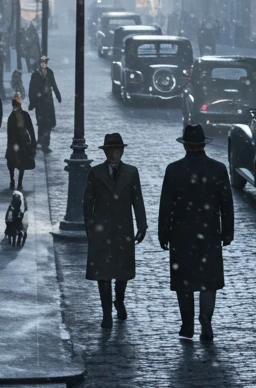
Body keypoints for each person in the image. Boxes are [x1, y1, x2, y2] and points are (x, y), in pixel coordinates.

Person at [158, 124, 234, 343]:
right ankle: (206, 318)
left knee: (184, 281)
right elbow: (226, 204)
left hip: (181, 233)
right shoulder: (218, 169)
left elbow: (166, 206)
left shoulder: (174, 170)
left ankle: (187, 324)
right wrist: (227, 232)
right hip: (209, 232)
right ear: (203, 144)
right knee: (209, 280)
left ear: (185, 145)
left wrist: (164, 233)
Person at [83, 133, 147, 328]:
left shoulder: (131, 172)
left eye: (117, 150)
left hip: (123, 228)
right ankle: (106, 313)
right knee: (103, 273)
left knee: (122, 271)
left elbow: (137, 199)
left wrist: (142, 224)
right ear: (105, 152)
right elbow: (87, 202)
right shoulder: (95, 173)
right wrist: (90, 228)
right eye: (110, 150)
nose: (113, 154)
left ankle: (119, 300)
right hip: (101, 230)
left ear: (122, 151)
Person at [28, 56, 62, 152]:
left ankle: (45, 143)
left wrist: (58, 95)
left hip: (48, 102)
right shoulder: (35, 74)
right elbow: (32, 89)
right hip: (39, 103)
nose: (44, 64)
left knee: (48, 123)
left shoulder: (50, 72)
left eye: (45, 62)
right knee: (41, 123)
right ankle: (40, 141)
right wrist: (32, 102)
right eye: (42, 62)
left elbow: (54, 85)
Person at [5, 94, 37, 191]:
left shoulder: (25, 115)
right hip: (14, 142)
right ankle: (12, 180)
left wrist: (33, 142)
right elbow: (10, 132)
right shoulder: (11, 117)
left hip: (23, 141)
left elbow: (30, 129)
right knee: (11, 162)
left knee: (22, 162)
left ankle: (19, 182)